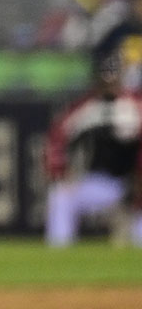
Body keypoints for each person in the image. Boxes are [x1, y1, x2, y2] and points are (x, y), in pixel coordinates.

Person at [44, 51, 142, 247]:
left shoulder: (136, 106)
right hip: (101, 183)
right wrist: (60, 170)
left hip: (132, 181)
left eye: (113, 77)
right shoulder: (86, 106)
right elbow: (57, 137)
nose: (109, 84)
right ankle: (59, 254)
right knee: (61, 194)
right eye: (105, 78)